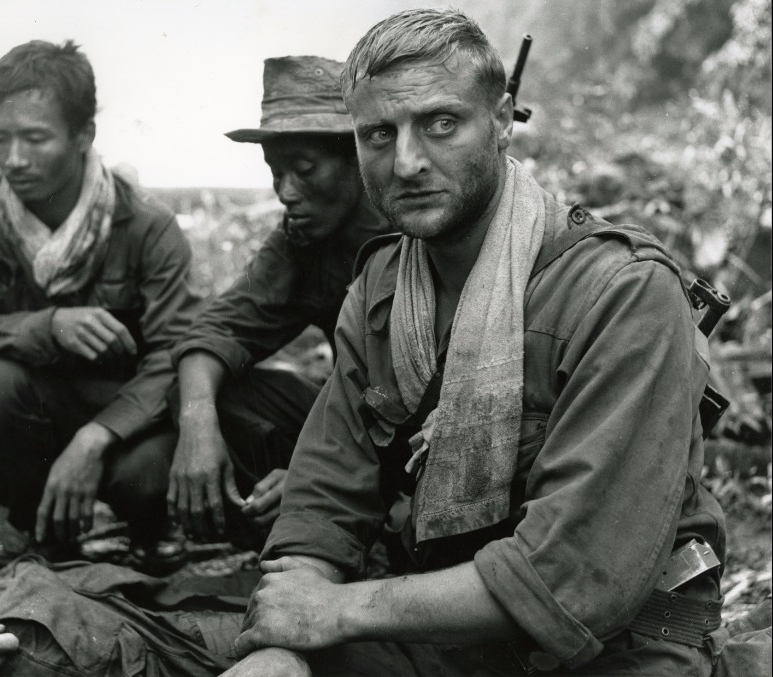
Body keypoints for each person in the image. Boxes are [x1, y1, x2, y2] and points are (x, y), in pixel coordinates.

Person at [224, 9, 727, 676]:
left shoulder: (621, 293)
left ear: (501, 120)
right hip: (446, 632)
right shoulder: (382, 287)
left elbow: (573, 577)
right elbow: (325, 492)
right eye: (378, 134)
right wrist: (285, 642)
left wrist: (335, 612)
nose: (406, 163)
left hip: (616, 647)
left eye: (441, 123)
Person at [0, 40, 200, 562]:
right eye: (0, 138)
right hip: (32, 411)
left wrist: (95, 438)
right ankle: (39, 528)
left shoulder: (147, 226)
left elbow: (175, 356)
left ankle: (150, 530)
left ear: (84, 135)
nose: (14, 159)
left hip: (128, 421)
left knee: (145, 479)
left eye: (36, 139)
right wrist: (50, 325)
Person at [169, 56, 390, 543]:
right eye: (277, 172)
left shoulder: (417, 231)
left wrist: (317, 474)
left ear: (358, 158)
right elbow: (219, 328)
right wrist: (198, 422)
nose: (286, 192)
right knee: (202, 389)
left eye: (305, 170)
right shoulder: (301, 240)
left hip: (418, 446)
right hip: (353, 430)